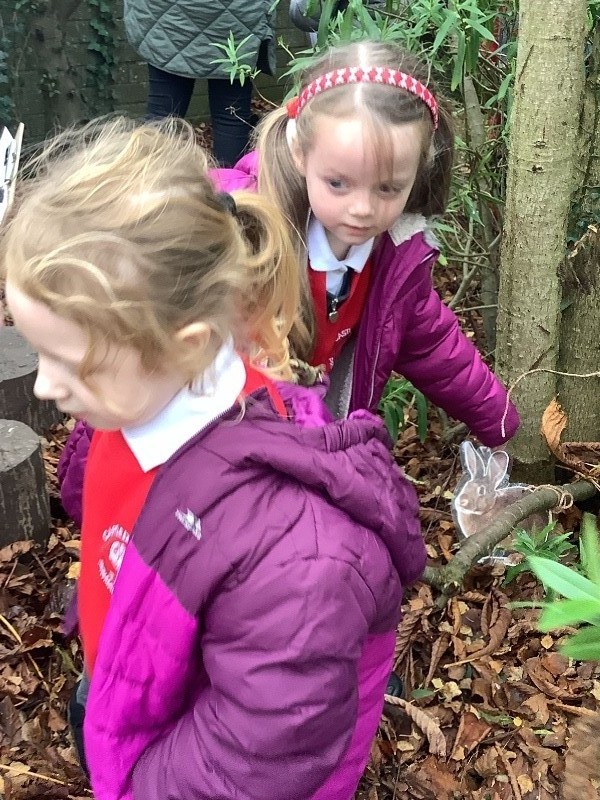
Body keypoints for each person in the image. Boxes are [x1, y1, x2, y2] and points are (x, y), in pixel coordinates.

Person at [1, 116, 426, 800]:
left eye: (68, 362)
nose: (46, 388)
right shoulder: (136, 401)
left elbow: (249, 763)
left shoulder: (294, 558)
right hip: (131, 685)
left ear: (188, 343)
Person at [215, 40, 521, 445]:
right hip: (230, 436)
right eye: (338, 183)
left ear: (418, 173)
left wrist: (499, 419)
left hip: (316, 435)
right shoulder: (238, 231)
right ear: (299, 152)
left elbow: (432, 345)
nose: (362, 210)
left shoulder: (395, 260)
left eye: (387, 188)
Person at [123, 0, 276, 166]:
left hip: (168, 15)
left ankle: (148, 178)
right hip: (235, 15)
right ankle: (231, 181)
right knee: (230, 115)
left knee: (162, 113)